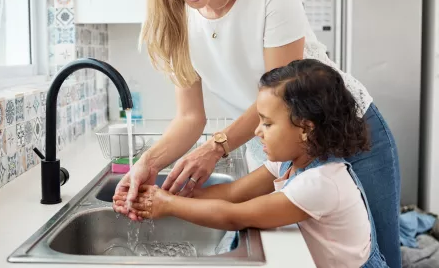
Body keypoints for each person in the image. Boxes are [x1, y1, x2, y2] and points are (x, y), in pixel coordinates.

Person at [114, 0, 401, 266]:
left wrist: (216, 147)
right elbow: (189, 118)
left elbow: (283, 98)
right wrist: (148, 165)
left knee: (381, 254)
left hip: (349, 129)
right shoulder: (176, 21)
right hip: (283, 146)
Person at [113, 59, 389, 268]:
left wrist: (168, 206)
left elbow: (236, 215)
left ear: (305, 128)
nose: (257, 132)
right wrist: (162, 195)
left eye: (267, 123)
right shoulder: (291, 162)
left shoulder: (321, 182)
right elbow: (233, 194)